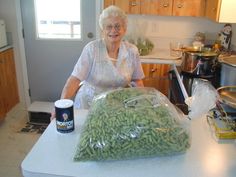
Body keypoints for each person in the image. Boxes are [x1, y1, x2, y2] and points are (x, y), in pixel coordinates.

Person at [59, 5, 144, 109]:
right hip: (89, 104)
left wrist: (142, 103)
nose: (113, 30)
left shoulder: (132, 51)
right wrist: (61, 105)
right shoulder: (91, 49)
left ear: (124, 29)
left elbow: (137, 81)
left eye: (117, 26)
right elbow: (75, 79)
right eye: (109, 26)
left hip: (118, 105)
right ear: (102, 30)